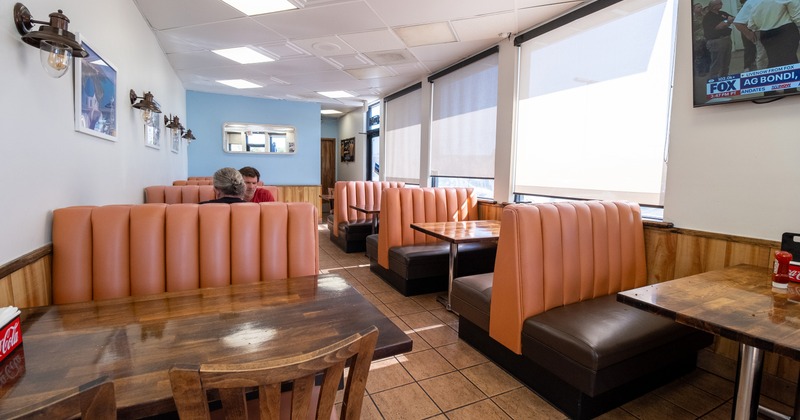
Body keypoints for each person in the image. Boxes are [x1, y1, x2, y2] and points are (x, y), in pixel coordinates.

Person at [703, 0, 735, 79]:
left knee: (726, 62)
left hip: (726, 39)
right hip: (716, 41)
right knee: (717, 63)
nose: (722, 4)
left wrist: (725, 22)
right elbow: (719, 26)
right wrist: (727, 21)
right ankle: (714, 81)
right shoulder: (708, 17)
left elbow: (732, 18)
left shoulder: (722, 13)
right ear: (713, 6)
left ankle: (724, 78)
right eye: (719, 3)